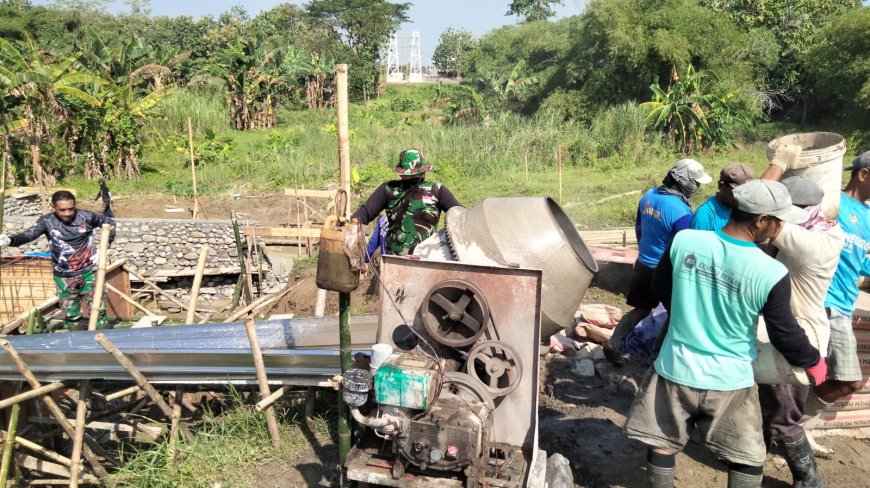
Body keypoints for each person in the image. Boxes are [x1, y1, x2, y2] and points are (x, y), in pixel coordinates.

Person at [623, 179, 826, 488]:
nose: (781, 227)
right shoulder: (771, 272)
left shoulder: (685, 242)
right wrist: (812, 360)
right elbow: (784, 333)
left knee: (663, 442)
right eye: (779, 220)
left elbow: (660, 287)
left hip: (675, 368)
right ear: (761, 220)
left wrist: (687, 314)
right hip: (730, 381)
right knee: (746, 456)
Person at [755, 144, 844, 488]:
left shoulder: (811, 244)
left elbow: (757, 210)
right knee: (769, 406)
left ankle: (809, 479)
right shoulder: (823, 227)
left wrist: (779, 165)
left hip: (795, 339)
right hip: (781, 332)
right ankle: (755, 458)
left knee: (784, 417)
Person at [604, 158, 713, 365]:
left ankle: (614, 343)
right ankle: (658, 357)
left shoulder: (649, 196)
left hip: (643, 264)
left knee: (641, 309)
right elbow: (686, 246)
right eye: (695, 182)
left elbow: (638, 228)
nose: (697, 187)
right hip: (665, 271)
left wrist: (644, 251)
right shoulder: (681, 212)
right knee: (675, 314)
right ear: (683, 181)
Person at [804, 151, 870, 421]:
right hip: (825, 301)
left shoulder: (868, 216)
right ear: (863, 175)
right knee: (850, 380)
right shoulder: (832, 204)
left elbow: (861, 261)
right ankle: (787, 426)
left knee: (817, 374)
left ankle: (787, 425)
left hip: (844, 303)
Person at [0, 183, 115, 330]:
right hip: (63, 276)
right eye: (62, 210)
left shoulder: (86, 217)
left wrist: (105, 247)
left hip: (89, 272)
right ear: (53, 207)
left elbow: (110, 223)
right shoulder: (47, 221)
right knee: (72, 316)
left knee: (99, 312)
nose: (67, 213)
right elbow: (29, 235)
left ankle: (103, 337)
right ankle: (78, 340)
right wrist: (10, 241)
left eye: (71, 209)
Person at [351, 149, 461, 256]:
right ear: (423, 171)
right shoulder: (437, 190)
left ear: (401, 173)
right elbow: (460, 216)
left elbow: (361, 215)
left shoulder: (388, 189)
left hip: (394, 259)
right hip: (426, 259)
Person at [690, 163, 754, 231]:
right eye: (738, 191)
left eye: (746, 192)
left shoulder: (746, 210)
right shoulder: (704, 216)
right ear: (721, 186)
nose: (743, 196)